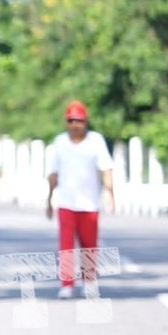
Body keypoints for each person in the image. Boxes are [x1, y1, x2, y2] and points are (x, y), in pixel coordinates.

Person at [46, 100, 114, 299]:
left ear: (86, 122)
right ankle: (66, 284)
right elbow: (53, 173)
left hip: (89, 203)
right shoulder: (59, 142)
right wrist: (49, 199)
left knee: (89, 244)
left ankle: (89, 281)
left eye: (79, 121)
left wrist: (111, 193)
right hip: (66, 202)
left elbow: (106, 168)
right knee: (66, 246)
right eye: (72, 121)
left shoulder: (96, 141)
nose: (76, 125)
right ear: (67, 122)